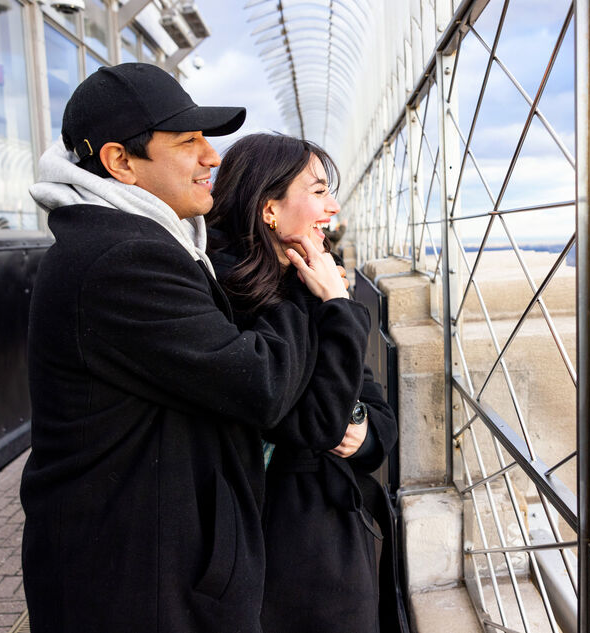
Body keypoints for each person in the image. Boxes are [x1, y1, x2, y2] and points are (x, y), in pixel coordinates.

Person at [20, 63, 372, 633]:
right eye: (188, 141)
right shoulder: (122, 259)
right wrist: (317, 297)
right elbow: (259, 387)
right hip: (136, 585)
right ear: (120, 162)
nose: (212, 156)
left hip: (153, 568)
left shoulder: (148, 243)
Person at [206, 133, 398, 633]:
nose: (333, 206)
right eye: (317, 191)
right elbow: (313, 421)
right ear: (269, 209)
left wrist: (364, 431)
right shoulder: (225, 295)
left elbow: (374, 408)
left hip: (331, 527)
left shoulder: (308, 276)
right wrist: (338, 307)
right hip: (280, 542)